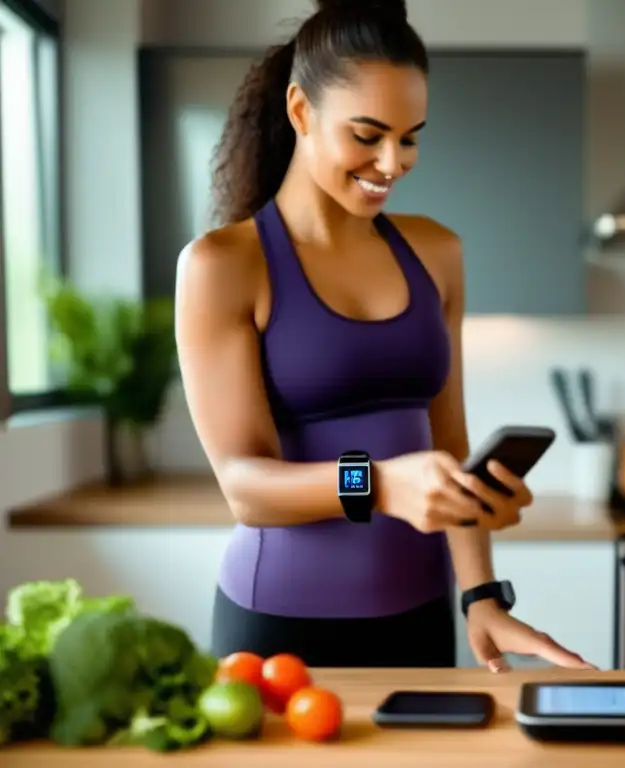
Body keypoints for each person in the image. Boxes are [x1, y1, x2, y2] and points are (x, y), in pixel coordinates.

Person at [174, 0, 594, 673]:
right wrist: (377, 484)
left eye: (411, 135)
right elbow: (243, 486)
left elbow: (450, 445)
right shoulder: (224, 266)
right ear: (301, 111)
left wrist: (482, 595)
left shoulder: (437, 252)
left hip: (419, 617)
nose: (393, 162)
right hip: (280, 625)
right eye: (367, 135)